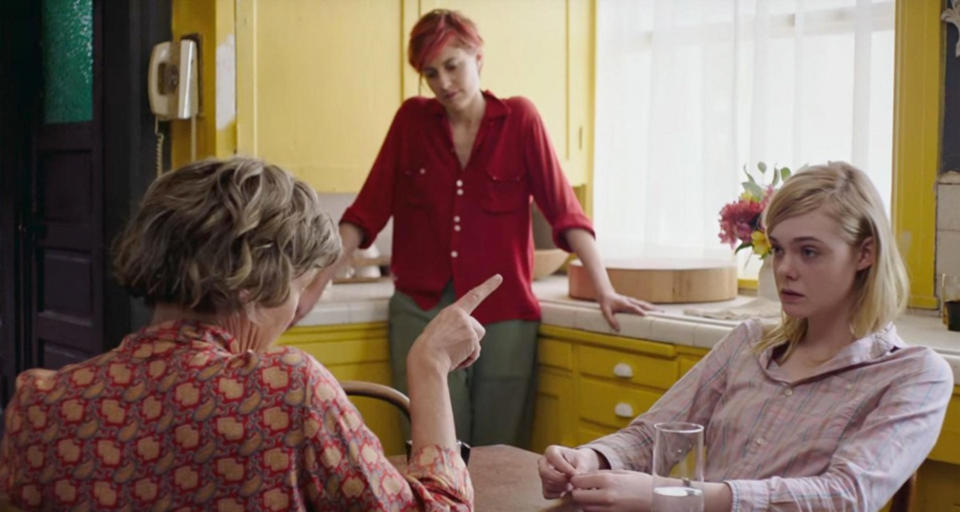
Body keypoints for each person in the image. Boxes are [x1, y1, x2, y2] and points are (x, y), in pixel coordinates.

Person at [0, 157, 500, 511]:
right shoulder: (288, 390)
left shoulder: (41, 406)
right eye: (299, 286)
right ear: (259, 282)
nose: (295, 310)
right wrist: (430, 366)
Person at [294, 8, 654, 448]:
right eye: (430, 72)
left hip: (505, 315)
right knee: (430, 446)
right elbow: (364, 214)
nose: (443, 82)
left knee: (498, 450)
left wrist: (603, 287)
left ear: (477, 57)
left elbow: (566, 212)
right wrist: (312, 287)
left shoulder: (521, 121)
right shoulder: (410, 123)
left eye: (452, 66)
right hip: (420, 308)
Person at [538, 162, 954, 511]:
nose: (785, 268)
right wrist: (589, 457)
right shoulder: (748, 343)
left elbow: (844, 496)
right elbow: (652, 435)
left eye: (809, 251)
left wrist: (678, 497)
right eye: (778, 249)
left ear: (865, 254)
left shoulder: (915, 375)